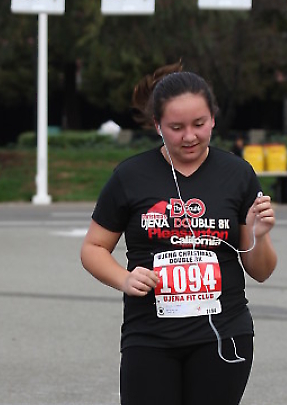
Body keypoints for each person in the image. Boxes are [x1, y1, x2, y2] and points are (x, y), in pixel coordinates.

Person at [81, 63, 277, 405]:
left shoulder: (238, 174)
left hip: (223, 334)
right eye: (176, 127)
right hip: (150, 336)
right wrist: (124, 278)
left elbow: (261, 271)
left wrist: (259, 236)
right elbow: (93, 247)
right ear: (157, 125)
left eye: (199, 124)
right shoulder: (130, 176)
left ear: (213, 118)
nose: (189, 137)